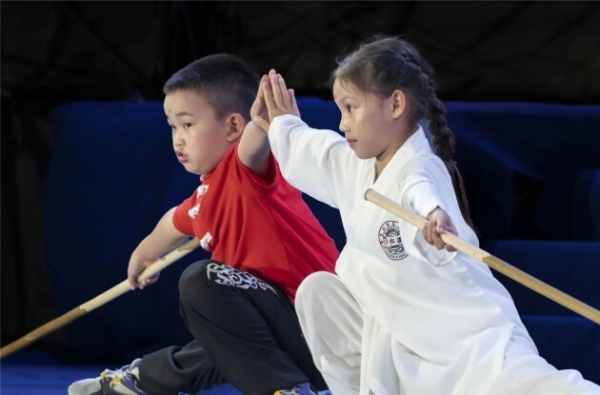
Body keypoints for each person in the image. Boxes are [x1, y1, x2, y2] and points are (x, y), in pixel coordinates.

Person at [254, 36, 600, 394]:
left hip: (461, 333)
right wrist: (283, 125)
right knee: (318, 294)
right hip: (397, 334)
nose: (342, 124)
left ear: (396, 104)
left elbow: (422, 193)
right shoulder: (357, 166)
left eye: (351, 108)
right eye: (340, 110)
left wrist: (434, 215)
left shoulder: (419, 167)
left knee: (532, 386)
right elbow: (317, 151)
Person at [68, 54, 338, 395]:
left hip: (320, 334)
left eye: (188, 124)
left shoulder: (247, 170)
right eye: (172, 126)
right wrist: (145, 253)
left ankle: (283, 389)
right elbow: (174, 221)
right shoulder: (203, 199)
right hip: (277, 338)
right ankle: (141, 381)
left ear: (233, 127)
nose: (177, 138)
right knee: (227, 334)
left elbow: (254, 144)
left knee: (202, 281)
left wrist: (264, 122)